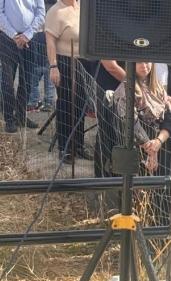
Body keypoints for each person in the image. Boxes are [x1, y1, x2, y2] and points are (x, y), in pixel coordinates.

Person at [45, 0, 95, 161]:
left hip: (84, 62)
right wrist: (53, 66)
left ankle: (78, 145)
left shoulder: (82, 7)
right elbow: (50, 41)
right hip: (65, 62)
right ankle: (65, 148)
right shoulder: (55, 11)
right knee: (66, 105)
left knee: (80, 105)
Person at [0, 0, 44, 133]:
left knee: (27, 81)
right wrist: (14, 35)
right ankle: (9, 119)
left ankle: (21, 116)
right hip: (7, 39)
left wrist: (27, 35)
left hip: (30, 39)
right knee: (7, 81)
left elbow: (41, 13)